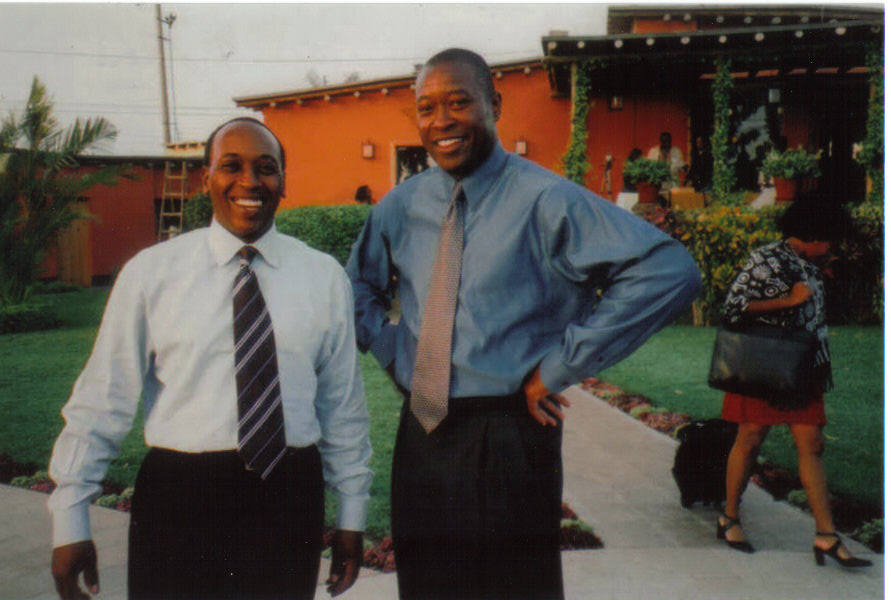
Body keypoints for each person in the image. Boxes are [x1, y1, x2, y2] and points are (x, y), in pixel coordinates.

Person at [346, 48, 701, 599]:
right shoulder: (402, 204)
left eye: (459, 102)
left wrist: (560, 366)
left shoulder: (546, 199)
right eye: (426, 107)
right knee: (426, 585)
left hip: (510, 428)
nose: (440, 121)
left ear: (495, 104)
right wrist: (394, 351)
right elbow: (358, 286)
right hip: (423, 431)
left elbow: (668, 269)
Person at [48, 117, 373, 599]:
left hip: (285, 495)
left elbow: (343, 408)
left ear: (283, 181)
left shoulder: (323, 277)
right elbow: (103, 399)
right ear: (207, 179)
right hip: (181, 498)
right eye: (231, 166)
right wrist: (70, 518)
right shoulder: (151, 274)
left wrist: (351, 516)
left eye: (266, 168)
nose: (249, 182)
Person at [717, 196, 871, 568]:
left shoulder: (814, 264)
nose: (834, 246)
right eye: (831, 238)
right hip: (765, 365)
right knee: (751, 437)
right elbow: (733, 307)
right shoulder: (765, 259)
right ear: (813, 234)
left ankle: (826, 535)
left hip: (804, 369)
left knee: (812, 443)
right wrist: (787, 300)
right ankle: (729, 517)